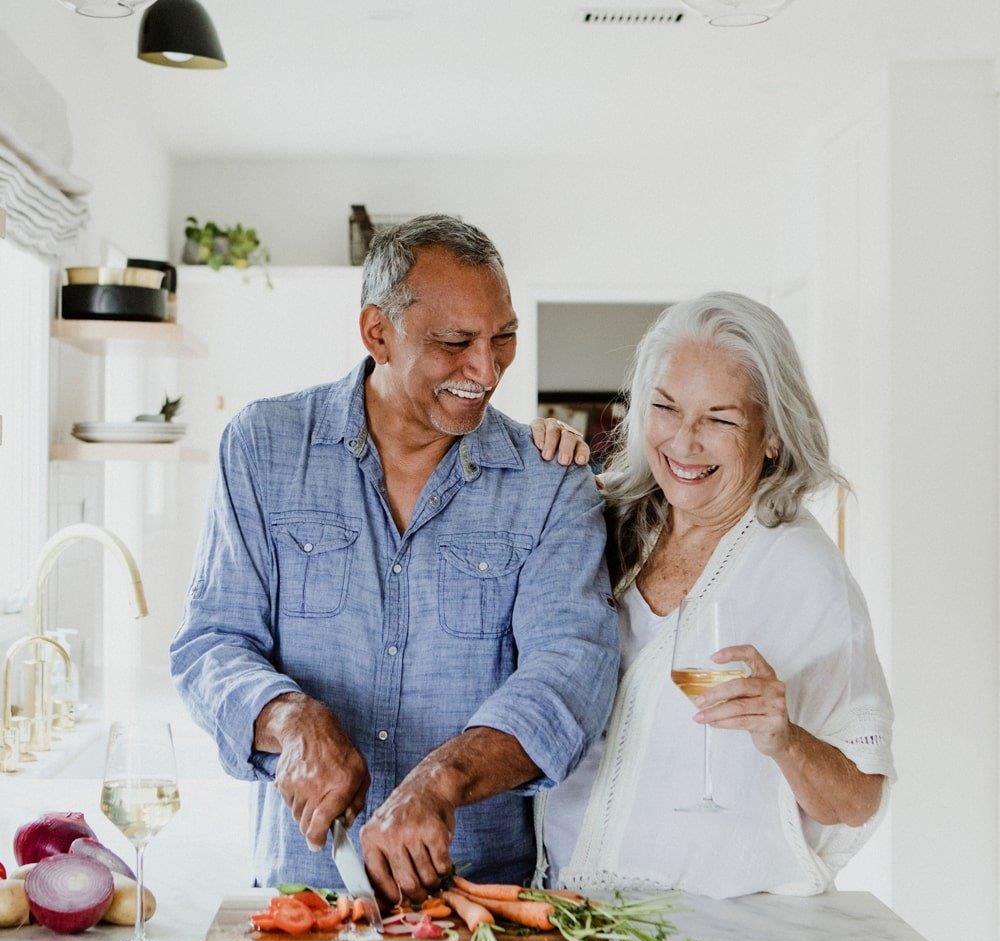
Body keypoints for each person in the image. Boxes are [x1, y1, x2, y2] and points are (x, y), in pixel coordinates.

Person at [170, 215, 619, 901]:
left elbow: (570, 675)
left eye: (504, 339)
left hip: (478, 900)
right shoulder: (263, 447)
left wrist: (442, 779)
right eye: (454, 343)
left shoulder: (550, 480)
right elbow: (211, 644)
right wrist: (290, 720)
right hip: (301, 894)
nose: (487, 370)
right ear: (377, 333)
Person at [534, 292, 895, 899]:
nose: (684, 441)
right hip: (564, 910)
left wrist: (785, 738)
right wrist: (535, 458)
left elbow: (857, 799)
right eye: (666, 408)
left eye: (720, 419)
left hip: (714, 937)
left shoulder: (804, 573)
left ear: (772, 436)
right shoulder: (604, 521)